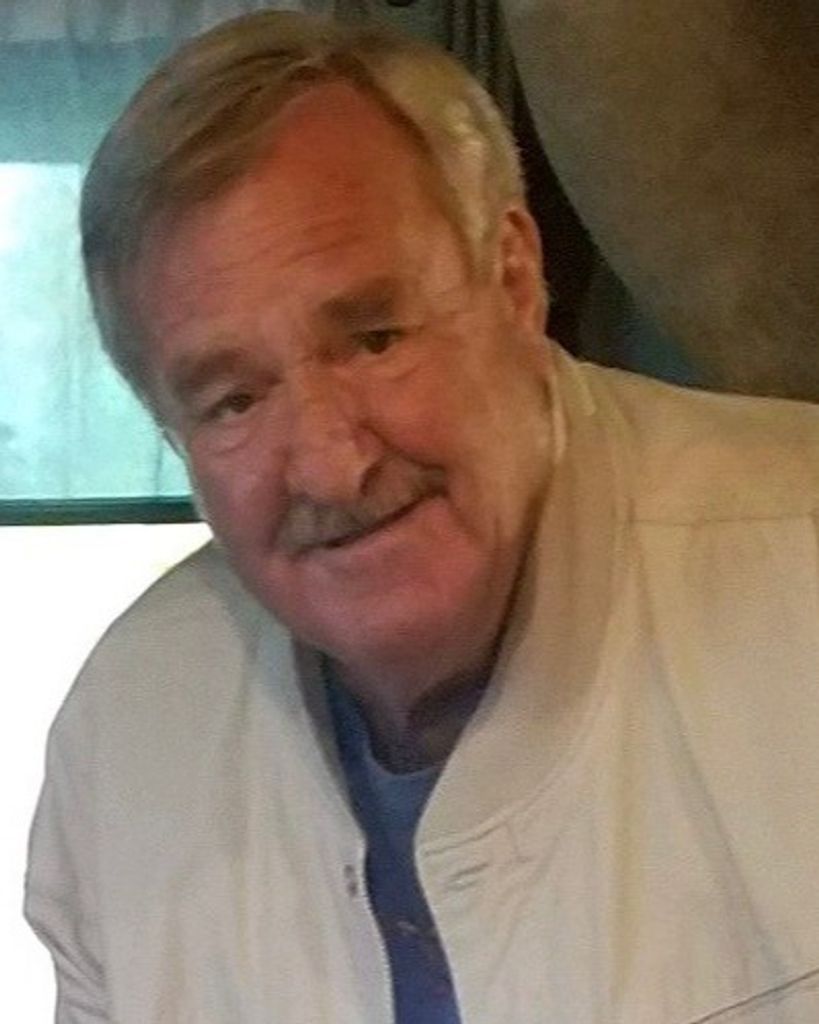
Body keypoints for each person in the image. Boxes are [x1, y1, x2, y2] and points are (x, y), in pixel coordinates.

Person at [25, 11, 819, 1024]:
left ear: (514, 278)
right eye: (233, 400)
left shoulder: (799, 571)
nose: (331, 464)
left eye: (375, 338)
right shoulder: (127, 733)